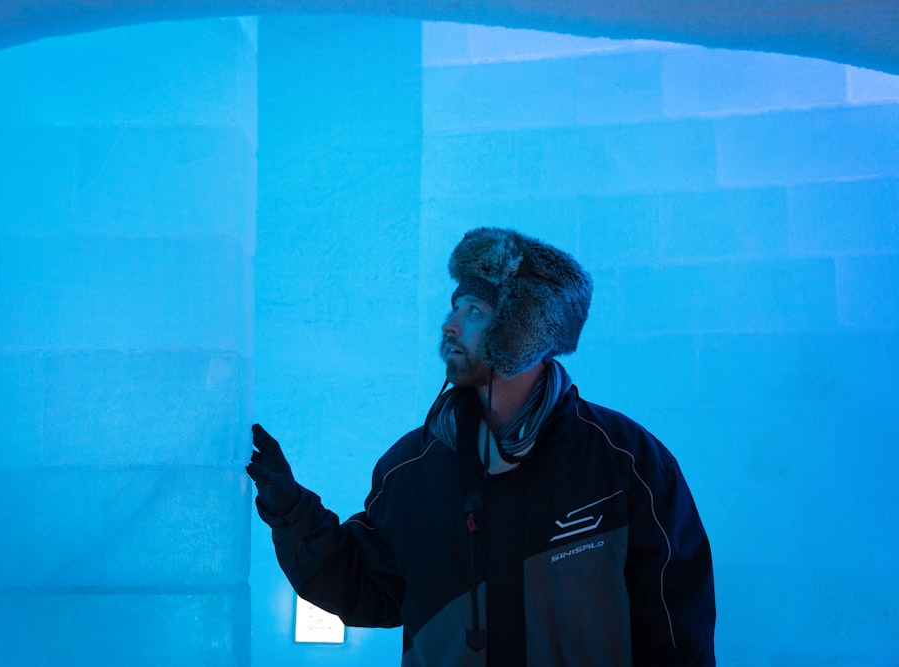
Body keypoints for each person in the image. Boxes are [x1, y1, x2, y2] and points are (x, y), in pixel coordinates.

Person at [247, 227, 716, 666]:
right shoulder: (409, 470)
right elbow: (364, 588)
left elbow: (677, 633)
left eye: (473, 310)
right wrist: (291, 512)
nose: (449, 325)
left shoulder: (626, 463)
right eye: (453, 308)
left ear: (523, 329)